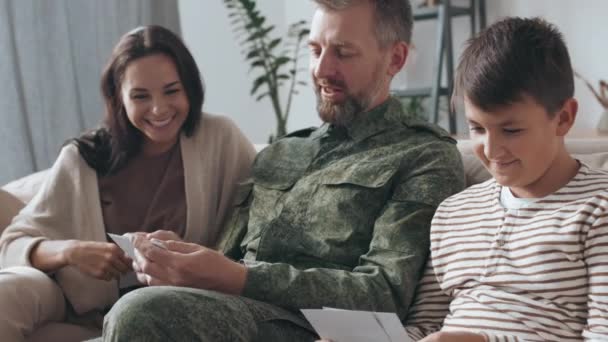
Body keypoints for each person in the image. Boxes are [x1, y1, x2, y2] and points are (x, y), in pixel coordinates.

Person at [100, 1, 465, 341]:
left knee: (138, 313)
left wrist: (239, 277)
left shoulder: (423, 155)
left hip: (314, 328)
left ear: (395, 58)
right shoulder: (282, 151)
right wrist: (183, 257)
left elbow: (384, 294)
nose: (321, 70)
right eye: (315, 49)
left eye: (343, 52)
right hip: (233, 310)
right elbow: (229, 259)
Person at [0, 25, 255, 341]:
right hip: (80, 312)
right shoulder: (84, 158)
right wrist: (71, 251)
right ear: (118, 97)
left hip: (173, 312)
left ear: (189, 87)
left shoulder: (221, 140)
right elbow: (11, 244)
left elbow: (258, 234)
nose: (159, 109)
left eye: (172, 91)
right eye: (140, 96)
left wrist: (187, 257)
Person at [399, 17, 608, 341]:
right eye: (477, 128)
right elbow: (425, 328)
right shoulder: (453, 214)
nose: (491, 149)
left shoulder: (599, 209)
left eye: (511, 130)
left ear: (563, 118)